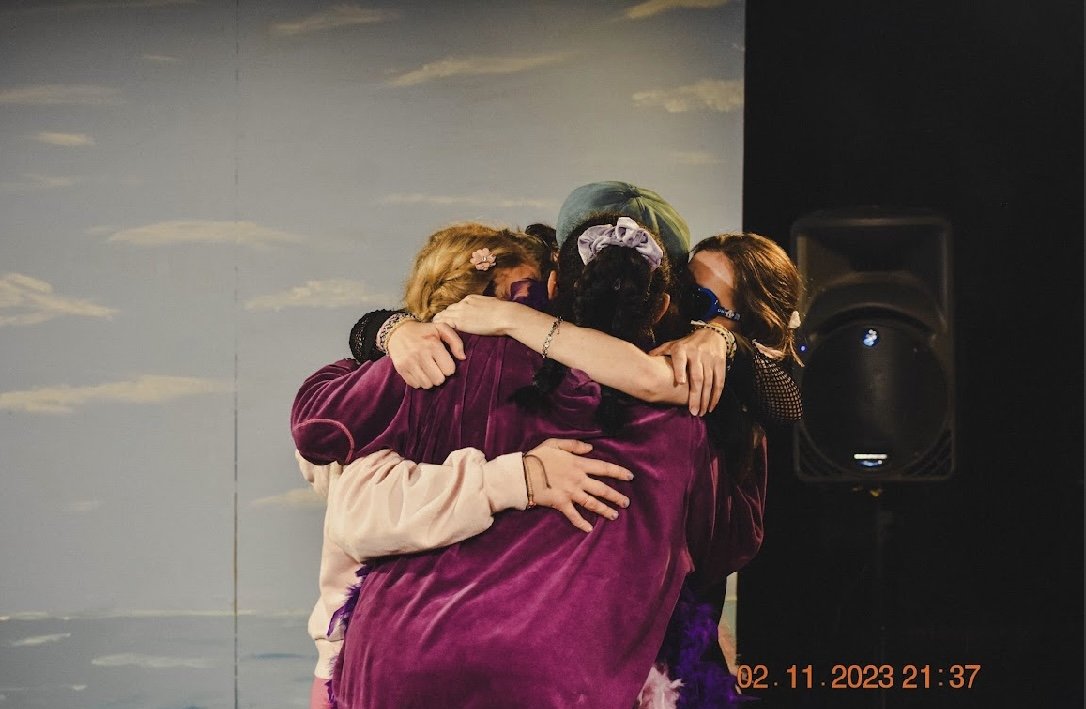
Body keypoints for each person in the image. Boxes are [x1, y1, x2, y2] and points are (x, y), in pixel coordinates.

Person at [293, 216, 754, 707]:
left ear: (556, 289)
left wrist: (720, 339)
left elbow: (317, 426)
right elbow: (728, 540)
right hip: (552, 680)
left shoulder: (446, 367)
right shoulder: (687, 408)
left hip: (397, 663)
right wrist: (390, 332)